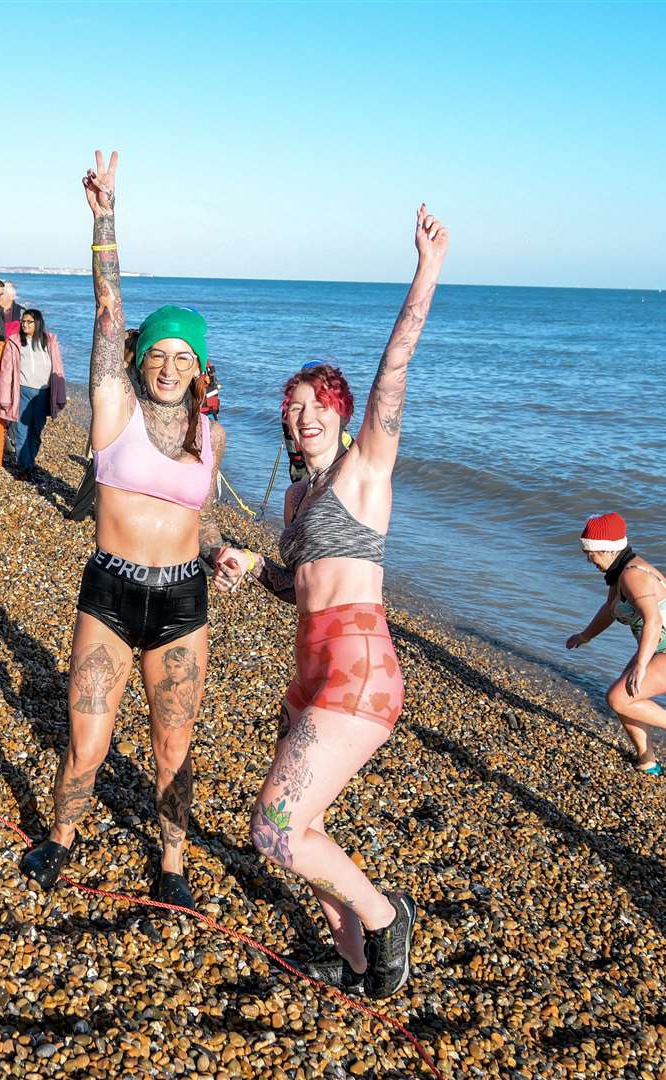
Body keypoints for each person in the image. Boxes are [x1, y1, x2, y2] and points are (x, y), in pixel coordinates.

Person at [210, 204, 448, 1000]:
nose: (302, 416)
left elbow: (395, 371)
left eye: (317, 404)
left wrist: (426, 270)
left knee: (272, 831)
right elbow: (298, 587)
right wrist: (252, 567)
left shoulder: (363, 472)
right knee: (299, 826)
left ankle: (384, 923)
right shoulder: (298, 501)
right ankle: (351, 960)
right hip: (309, 670)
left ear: (343, 414)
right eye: (291, 405)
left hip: (359, 671)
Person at [20, 151, 231, 915]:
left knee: (173, 745)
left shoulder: (211, 438)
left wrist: (218, 553)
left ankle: (172, 861)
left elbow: (192, 519)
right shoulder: (114, 407)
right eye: (161, 354)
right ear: (140, 359)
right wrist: (105, 216)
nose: (171, 366)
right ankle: (61, 837)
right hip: (110, 591)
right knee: (89, 739)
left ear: (200, 368)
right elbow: (110, 310)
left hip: (182, 601)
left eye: (186, 357)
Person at [565, 512, 666, 778]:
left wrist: (641, 665)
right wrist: (585, 636)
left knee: (618, 697)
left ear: (607, 549)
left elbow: (653, 620)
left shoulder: (633, 575)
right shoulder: (619, 574)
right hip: (658, 649)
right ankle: (647, 761)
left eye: (591, 553)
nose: (589, 559)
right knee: (626, 697)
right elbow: (610, 609)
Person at [0, 307, 67, 479]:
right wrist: (4, 397)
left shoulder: (48, 341)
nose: (25, 324)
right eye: (23, 321)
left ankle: (29, 461)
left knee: (36, 430)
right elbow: (6, 371)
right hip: (22, 390)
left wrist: (60, 394)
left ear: (38, 323)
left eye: (29, 322)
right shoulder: (15, 342)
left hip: (43, 392)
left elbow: (58, 367)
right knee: (21, 429)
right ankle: (24, 467)